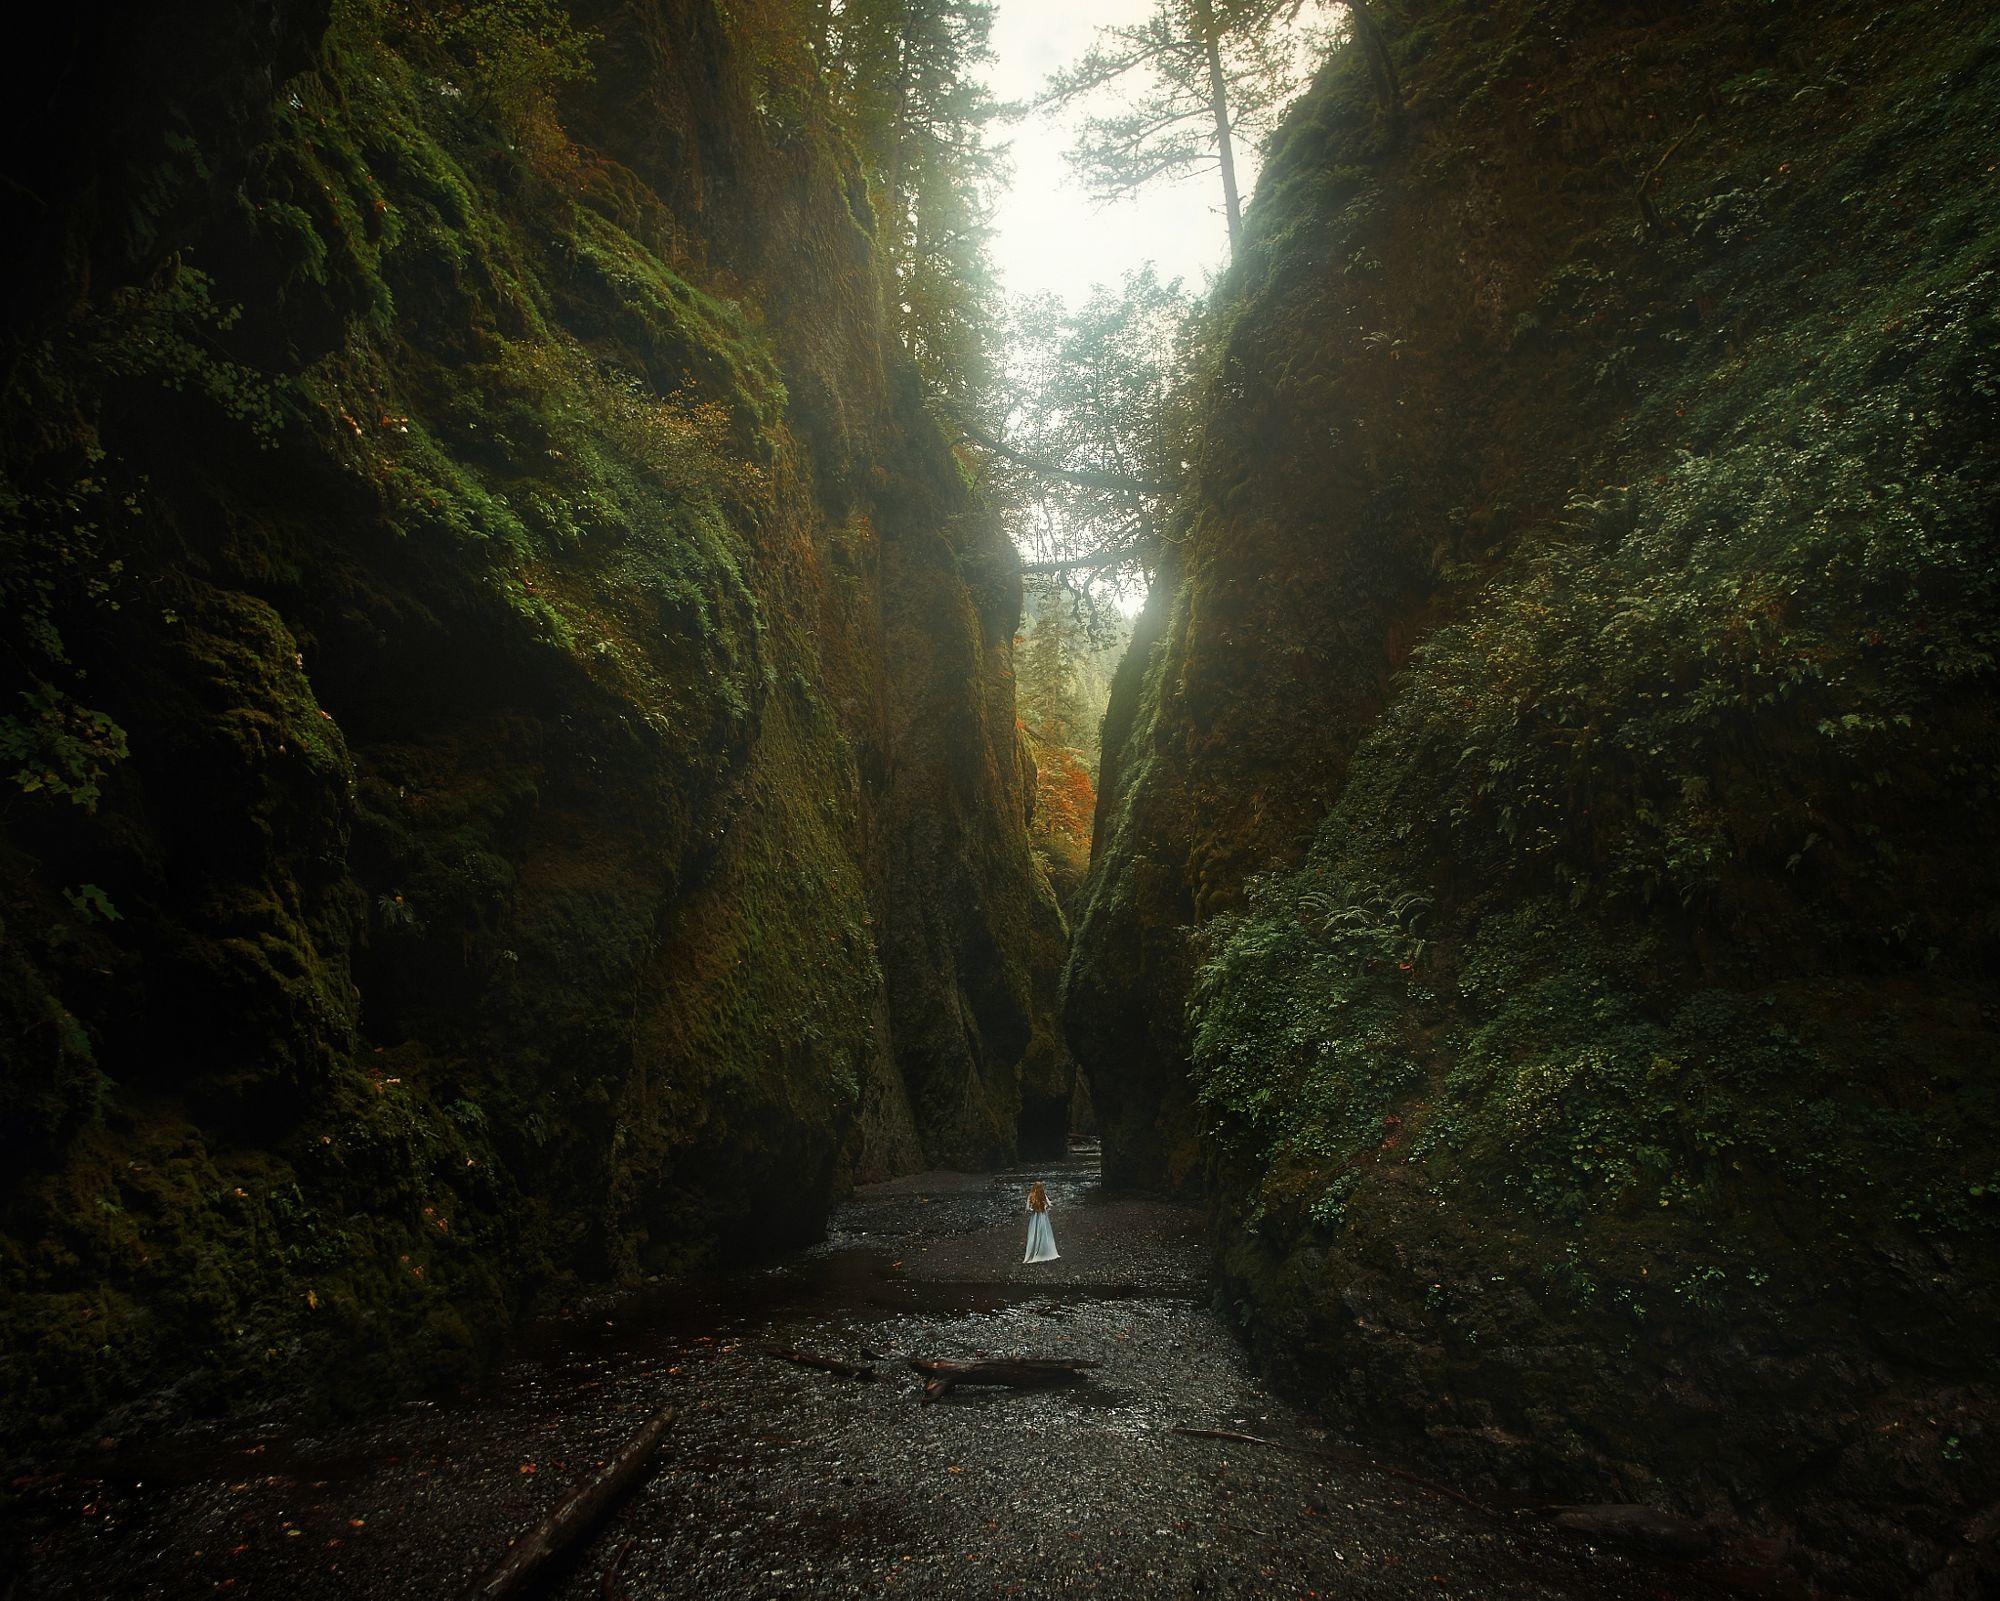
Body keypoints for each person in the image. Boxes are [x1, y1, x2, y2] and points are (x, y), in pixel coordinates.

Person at [1023, 1181, 1059, 1264]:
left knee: (1034, 1232)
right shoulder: (1043, 1195)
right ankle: (1045, 1250)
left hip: (1034, 1217)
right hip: (1043, 1216)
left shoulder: (1031, 1196)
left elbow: (1028, 1208)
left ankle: (1034, 1249)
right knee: (1044, 1232)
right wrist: (1045, 1207)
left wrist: (1034, 1209)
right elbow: (1049, 1205)